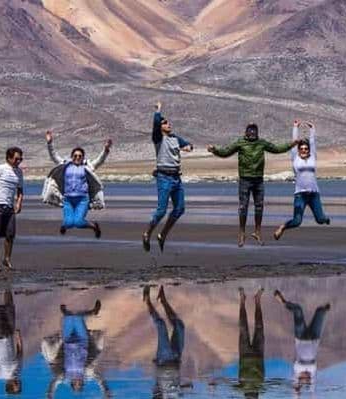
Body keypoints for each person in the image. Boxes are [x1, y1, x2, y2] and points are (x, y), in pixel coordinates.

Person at [207, 123, 295, 247]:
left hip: (258, 180)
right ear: (246, 132)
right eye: (250, 130)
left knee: (259, 206)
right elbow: (226, 152)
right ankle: (242, 233)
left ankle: (257, 232)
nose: (253, 132)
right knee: (243, 207)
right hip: (245, 180)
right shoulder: (240, 143)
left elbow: (277, 149)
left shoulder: (261, 143)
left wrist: (292, 144)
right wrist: (214, 150)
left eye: (254, 130)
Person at [143, 102, 193, 252]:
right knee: (161, 210)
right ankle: (147, 233)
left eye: (169, 122)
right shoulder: (158, 138)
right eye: (165, 123)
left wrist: (188, 147)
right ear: (160, 127)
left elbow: (189, 145)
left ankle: (162, 235)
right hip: (164, 178)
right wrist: (158, 111)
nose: (168, 124)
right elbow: (156, 122)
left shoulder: (175, 138)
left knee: (180, 208)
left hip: (176, 178)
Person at [42, 130, 111, 238]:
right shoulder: (65, 165)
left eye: (80, 156)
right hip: (68, 199)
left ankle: (94, 227)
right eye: (75, 155)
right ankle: (65, 225)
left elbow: (99, 161)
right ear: (71, 156)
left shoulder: (87, 167)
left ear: (83, 157)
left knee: (78, 222)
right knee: (69, 224)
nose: (77, 157)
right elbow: (54, 156)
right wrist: (49, 143)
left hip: (82, 199)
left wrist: (106, 150)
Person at [274, 120, 330, 241]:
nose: (304, 150)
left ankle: (326, 219)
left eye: (306, 148)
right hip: (300, 195)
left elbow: (313, 143)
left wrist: (312, 129)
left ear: (309, 150)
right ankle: (283, 227)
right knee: (297, 221)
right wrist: (295, 128)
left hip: (314, 194)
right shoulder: (295, 158)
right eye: (302, 148)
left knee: (320, 220)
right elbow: (294, 144)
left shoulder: (313, 157)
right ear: (298, 150)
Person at [42, 299, 109, 397]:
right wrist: (105, 391)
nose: (78, 383)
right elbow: (100, 380)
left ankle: (68, 313)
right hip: (82, 340)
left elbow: (54, 383)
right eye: (79, 384)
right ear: (82, 383)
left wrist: (49, 394)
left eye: (75, 385)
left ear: (72, 384)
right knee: (77, 317)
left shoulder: (65, 376)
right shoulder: (86, 374)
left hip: (67, 339)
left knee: (68, 317)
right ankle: (93, 312)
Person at [273, 290, 330, 394]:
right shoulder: (312, 371)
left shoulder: (297, 370)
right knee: (321, 311)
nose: (307, 378)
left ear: (300, 378)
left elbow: (296, 386)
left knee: (298, 310)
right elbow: (312, 388)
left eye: (305, 380)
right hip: (314, 336)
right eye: (308, 380)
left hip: (301, 336)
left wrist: (297, 393)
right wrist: (311, 393)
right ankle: (323, 309)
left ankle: (283, 302)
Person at [144, 285, 185, 398]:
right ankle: (163, 300)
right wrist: (183, 387)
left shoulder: (162, 396)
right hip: (177, 358)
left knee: (161, 325)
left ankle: (147, 301)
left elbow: (156, 393)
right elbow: (176, 386)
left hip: (164, 359)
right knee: (180, 326)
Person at [236, 287, 265, 398]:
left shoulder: (242, 387)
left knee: (244, 328)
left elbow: (228, 386)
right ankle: (256, 300)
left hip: (245, 355)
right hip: (258, 354)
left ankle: (243, 300)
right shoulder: (260, 387)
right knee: (258, 327)